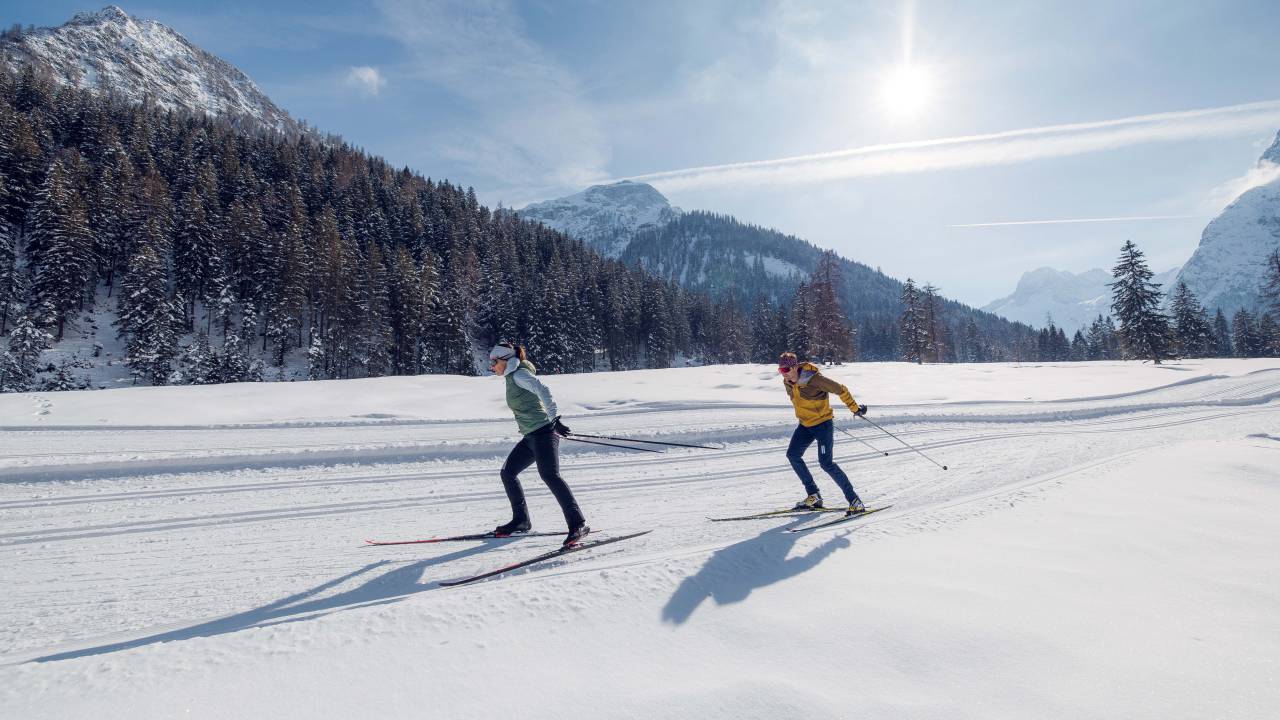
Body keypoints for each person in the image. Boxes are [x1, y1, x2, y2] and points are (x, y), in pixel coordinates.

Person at [488, 342, 590, 547]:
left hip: (544, 433)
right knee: (508, 473)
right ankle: (521, 521)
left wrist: (554, 421)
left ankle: (578, 524)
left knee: (550, 475)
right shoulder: (512, 376)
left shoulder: (519, 375)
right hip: (530, 437)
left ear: (506, 360)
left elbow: (543, 390)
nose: (492, 366)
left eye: (494, 362)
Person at [778, 351, 867, 515]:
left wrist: (855, 409)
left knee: (826, 463)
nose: (783, 375)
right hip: (805, 425)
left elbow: (840, 389)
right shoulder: (788, 382)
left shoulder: (814, 379)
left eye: (786, 370)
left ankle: (855, 501)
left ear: (795, 367)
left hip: (823, 425)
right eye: (780, 371)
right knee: (793, 455)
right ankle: (814, 495)